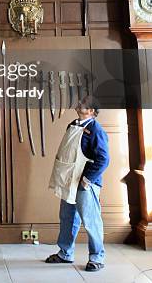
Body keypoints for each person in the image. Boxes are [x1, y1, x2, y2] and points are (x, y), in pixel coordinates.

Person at [46, 96, 109, 272]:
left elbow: (103, 159)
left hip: (85, 184)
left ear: (91, 111)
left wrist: (86, 180)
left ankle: (97, 258)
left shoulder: (96, 130)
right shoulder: (73, 125)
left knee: (91, 221)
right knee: (67, 218)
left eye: (84, 104)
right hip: (68, 180)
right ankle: (65, 253)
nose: (80, 104)